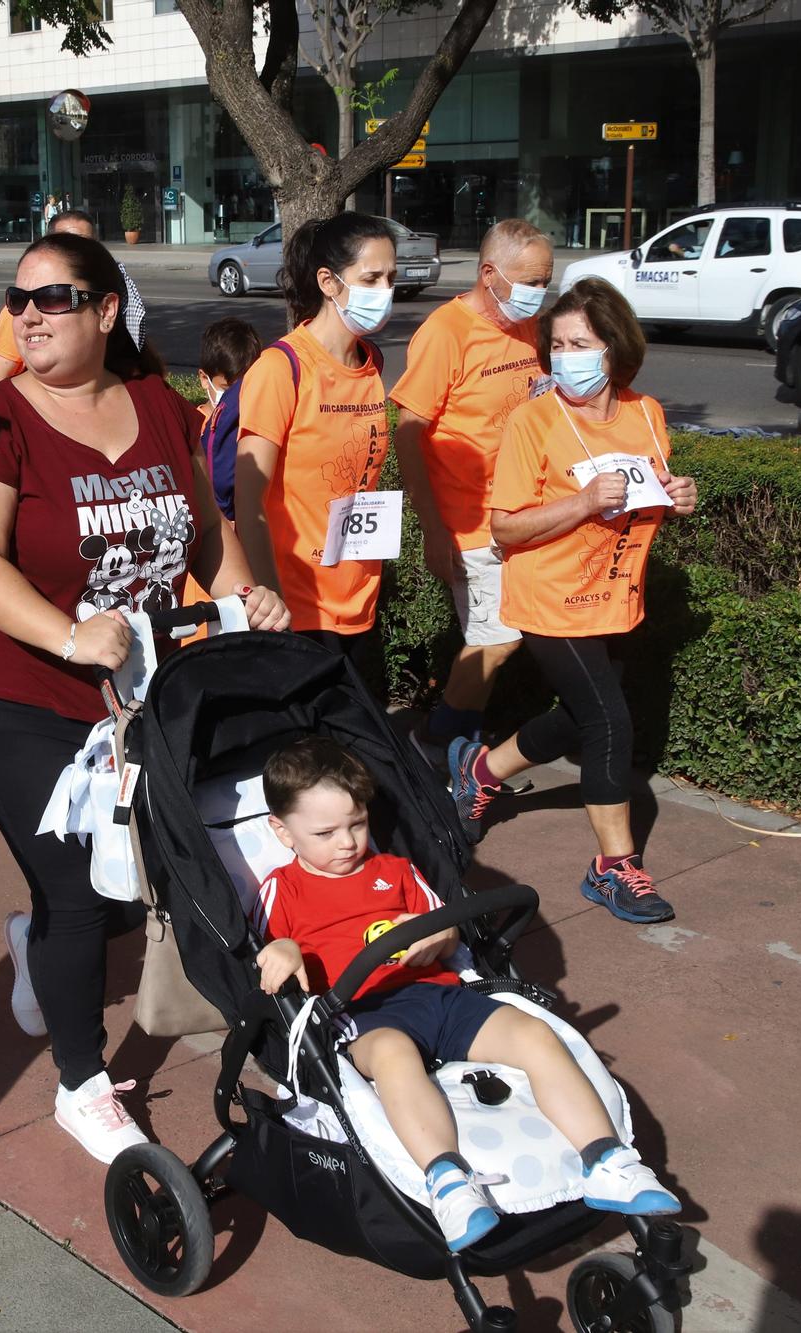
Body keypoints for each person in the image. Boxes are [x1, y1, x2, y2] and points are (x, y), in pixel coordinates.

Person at [0, 231, 286, 1165]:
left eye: (51, 298)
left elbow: (206, 530)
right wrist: (66, 634)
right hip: (26, 698)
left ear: (104, 310)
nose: (28, 315)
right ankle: (82, 1081)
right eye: (19, 301)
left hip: (144, 696)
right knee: (80, 894)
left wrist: (245, 594)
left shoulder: (157, 407)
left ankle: (32, 941)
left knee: (146, 877)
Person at [251, 737, 679, 1252]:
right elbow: (266, 947)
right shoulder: (283, 889)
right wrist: (283, 950)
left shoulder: (396, 871)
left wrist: (435, 933)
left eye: (357, 824)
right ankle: (448, 1181)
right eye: (325, 832)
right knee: (393, 1055)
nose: (346, 842)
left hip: (438, 996)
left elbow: (451, 935)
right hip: (361, 1016)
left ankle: (607, 1159)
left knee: (535, 1035)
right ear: (282, 831)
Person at [449, 278, 697, 923]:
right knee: (610, 722)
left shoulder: (647, 413)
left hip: (615, 597)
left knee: (584, 714)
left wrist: (676, 497)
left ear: (615, 348)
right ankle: (613, 869)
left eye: (580, 343)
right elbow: (504, 527)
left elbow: (645, 501)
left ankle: (482, 771)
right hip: (548, 596)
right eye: (557, 345)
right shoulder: (534, 420)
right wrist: (583, 502)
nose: (567, 357)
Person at [393, 220, 553, 770]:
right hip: (469, 522)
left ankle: (460, 752)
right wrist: (433, 527)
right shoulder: (446, 332)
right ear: (489, 274)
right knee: (498, 641)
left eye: (546, 280)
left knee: (494, 643)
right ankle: (432, 745)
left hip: (525, 515)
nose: (540, 292)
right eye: (531, 280)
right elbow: (408, 430)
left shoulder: (526, 324)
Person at [234, 212, 397, 699]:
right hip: (298, 608)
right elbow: (249, 500)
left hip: (359, 595)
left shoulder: (372, 364)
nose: (385, 289)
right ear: (328, 281)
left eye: (391, 276)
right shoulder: (281, 368)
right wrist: (268, 599)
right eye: (371, 278)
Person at [0, 209, 125, 387]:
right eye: (64, 243)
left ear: (107, 310)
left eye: (86, 244)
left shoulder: (122, 301)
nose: (28, 316)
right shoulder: (19, 312)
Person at [195, 316, 261, 521]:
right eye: (228, 389)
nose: (235, 398)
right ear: (205, 379)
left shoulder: (257, 423)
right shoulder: (192, 427)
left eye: (243, 388)